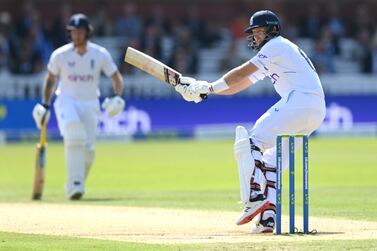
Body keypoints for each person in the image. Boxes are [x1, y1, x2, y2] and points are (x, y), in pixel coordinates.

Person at [175, 10, 326, 233]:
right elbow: (240, 83)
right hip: (315, 110)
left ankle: (254, 195)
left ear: (271, 30)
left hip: (300, 101)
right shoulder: (279, 51)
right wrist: (207, 91)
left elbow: (240, 72)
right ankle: (267, 219)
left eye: (257, 31)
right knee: (271, 162)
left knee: (251, 142)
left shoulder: (275, 46)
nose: (254, 36)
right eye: (253, 32)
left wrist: (207, 86)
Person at [32, 13, 126, 200]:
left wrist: (117, 96)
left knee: (88, 150)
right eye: (73, 32)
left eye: (80, 32)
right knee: (74, 133)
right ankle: (75, 186)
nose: (77, 35)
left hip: (90, 103)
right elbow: (50, 79)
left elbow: (116, 78)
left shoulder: (100, 54)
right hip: (66, 100)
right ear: (70, 33)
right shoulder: (60, 55)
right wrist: (45, 103)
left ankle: (75, 183)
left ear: (87, 32)